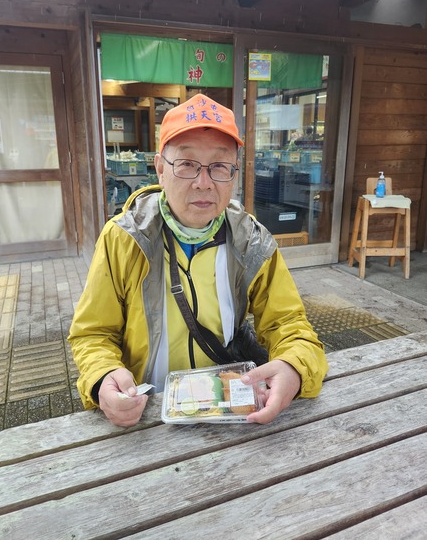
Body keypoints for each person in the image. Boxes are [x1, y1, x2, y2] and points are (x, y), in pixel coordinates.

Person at [68, 93, 328, 427]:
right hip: (147, 412)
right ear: (160, 170)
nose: (203, 183)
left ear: (234, 174)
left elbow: (289, 324)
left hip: (228, 408)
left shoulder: (252, 242)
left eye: (219, 166)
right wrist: (103, 376)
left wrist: (293, 367)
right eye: (187, 164)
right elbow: (93, 333)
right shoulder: (123, 239)